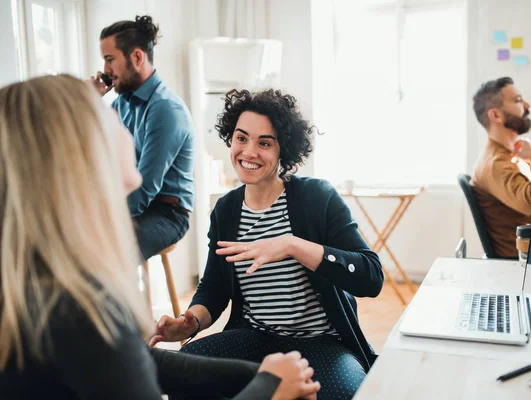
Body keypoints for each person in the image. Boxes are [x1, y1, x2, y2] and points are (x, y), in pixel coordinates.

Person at [0, 75, 320, 400]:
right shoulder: (84, 306)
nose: (130, 131)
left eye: (265, 142)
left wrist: (260, 377)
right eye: (110, 118)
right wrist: (270, 389)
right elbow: (213, 288)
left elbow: (137, 363)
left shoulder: (47, 285)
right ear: (83, 156)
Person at [150, 88, 384, 400]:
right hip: (253, 337)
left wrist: (293, 245)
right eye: (241, 138)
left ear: (282, 150)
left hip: (321, 342)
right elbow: (215, 287)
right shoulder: (227, 209)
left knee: (342, 393)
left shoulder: (317, 198)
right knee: (184, 375)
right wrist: (190, 321)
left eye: (264, 143)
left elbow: (371, 276)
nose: (248, 152)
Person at [89, 15, 194, 261]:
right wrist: (91, 103)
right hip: (133, 203)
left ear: (136, 57)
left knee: (105, 253)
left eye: (109, 59)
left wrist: (103, 217)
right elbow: (93, 152)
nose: (105, 70)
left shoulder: (166, 110)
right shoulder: (120, 103)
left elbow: (145, 187)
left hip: (167, 212)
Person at [471, 77, 531, 258]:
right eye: (517, 100)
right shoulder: (496, 165)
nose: (527, 105)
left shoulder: (512, 153)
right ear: (496, 115)